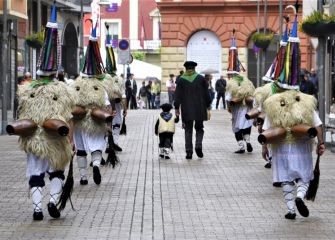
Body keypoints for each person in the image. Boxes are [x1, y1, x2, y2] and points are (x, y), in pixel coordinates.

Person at [13, 2, 75, 220]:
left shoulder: (27, 90)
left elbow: (20, 115)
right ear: (55, 71)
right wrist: (72, 141)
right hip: (56, 139)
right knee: (57, 171)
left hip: (33, 139)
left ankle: (37, 209)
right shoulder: (64, 90)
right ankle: (52, 202)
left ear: (38, 71)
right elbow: (69, 119)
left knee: (35, 174)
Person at [225, 30, 255, 154]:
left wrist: (229, 107)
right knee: (247, 124)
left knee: (237, 127)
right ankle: (247, 141)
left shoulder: (231, 83)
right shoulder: (247, 80)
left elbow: (228, 98)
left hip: (237, 108)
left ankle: (241, 146)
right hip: (247, 108)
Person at [174, 61, 211, 159]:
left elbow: (177, 96)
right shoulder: (201, 79)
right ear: (194, 69)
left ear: (186, 69)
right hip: (200, 108)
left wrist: (176, 107)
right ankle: (198, 145)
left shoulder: (181, 80)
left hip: (186, 109)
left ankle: (189, 152)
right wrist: (208, 105)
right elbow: (207, 94)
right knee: (199, 128)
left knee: (188, 130)